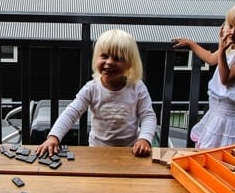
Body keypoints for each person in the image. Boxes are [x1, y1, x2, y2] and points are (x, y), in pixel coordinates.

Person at [34, 29, 157, 158]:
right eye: (104, 56)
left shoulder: (137, 87)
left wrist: (144, 139)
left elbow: (148, 115)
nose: (109, 62)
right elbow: (71, 112)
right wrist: (54, 137)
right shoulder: (92, 88)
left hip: (130, 150)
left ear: (130, 64)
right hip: (97, 150)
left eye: (117, 58)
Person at [172, 0, 235, 149]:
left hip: (229, 117)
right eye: (230, 26)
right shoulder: (233, 45)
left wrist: (222, 49)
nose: (232, 32)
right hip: (216, 112)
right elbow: (211, 59)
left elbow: (226, 79)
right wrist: (191, 43)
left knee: (223, 154)